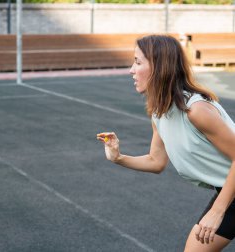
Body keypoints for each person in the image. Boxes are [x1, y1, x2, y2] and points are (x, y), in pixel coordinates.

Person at [97, 34, 235, 251]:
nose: (131, 70)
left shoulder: (196, 110)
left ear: (160, 67)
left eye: (138, 62)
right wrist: (119, 158)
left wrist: (217, 211)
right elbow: (156, 161)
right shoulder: (160, 112)